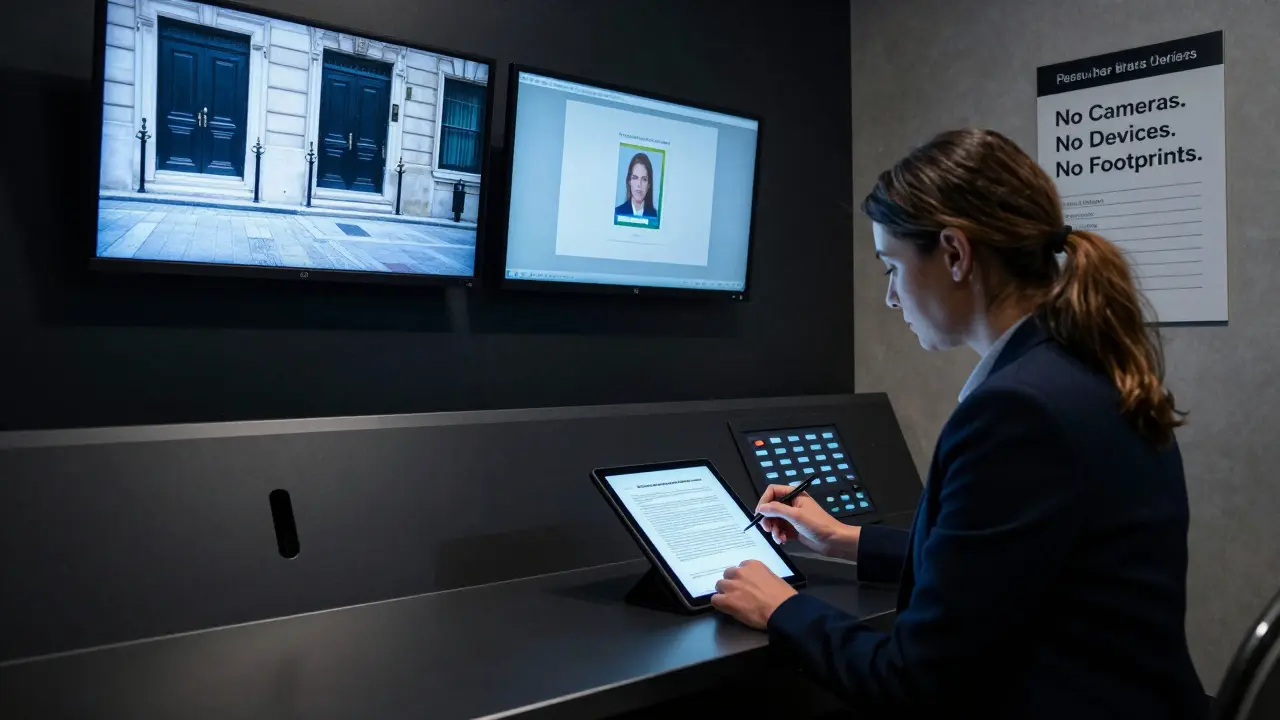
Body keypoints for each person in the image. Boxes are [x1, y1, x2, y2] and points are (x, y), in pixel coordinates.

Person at [709, 128, 1207, 719]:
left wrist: (781, 608)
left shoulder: (1018, 413)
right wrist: (846, 540)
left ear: (954, 253)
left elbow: (914, 684)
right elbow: (1006, 569)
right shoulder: (1091, 370)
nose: (891, 298)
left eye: (892, 267)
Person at [615, 152, 658, 218]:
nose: (639, 184)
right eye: (635, 178)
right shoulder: (618, 212)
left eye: (644, 179)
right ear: (629, 181)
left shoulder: (655, 215)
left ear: (649, 184)